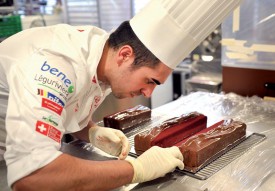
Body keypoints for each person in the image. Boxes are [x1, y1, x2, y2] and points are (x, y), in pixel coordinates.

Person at [0, 0, 242, 190]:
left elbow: (68, 105)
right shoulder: (55, 64)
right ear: (125, 55)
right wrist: (135, 170)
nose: (148, 92)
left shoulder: (101, 56)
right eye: (150, 80)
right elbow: (32, 177)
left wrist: (90, 131)